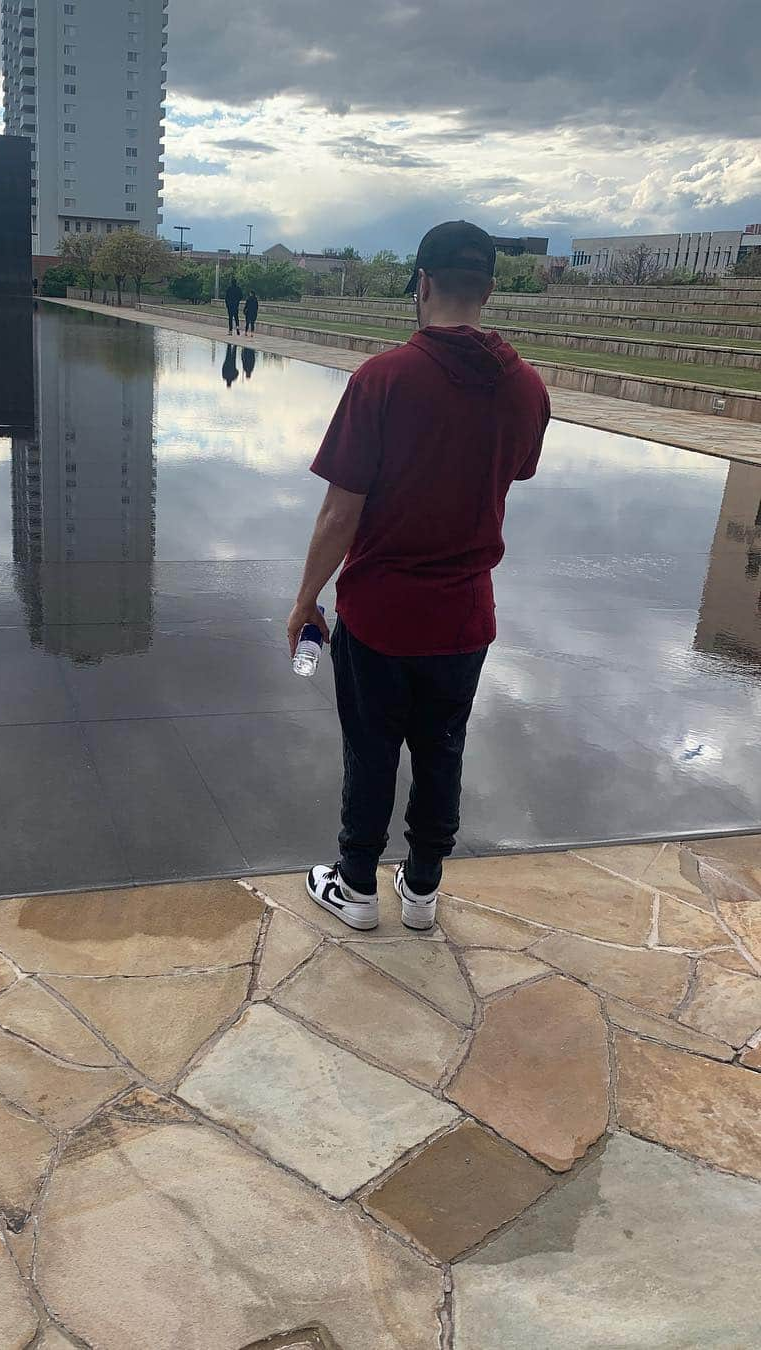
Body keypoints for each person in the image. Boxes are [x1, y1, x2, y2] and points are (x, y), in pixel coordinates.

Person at [289, 220, 549, 933]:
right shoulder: (527, 388)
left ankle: (355, 887)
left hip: (380, 613)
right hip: (466, 615)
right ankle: (424, 889)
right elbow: (511, 472)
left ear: (422, 284)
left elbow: (340, 512)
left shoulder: (383, 379)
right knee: (442, 746)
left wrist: (306, 599)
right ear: (490, 290)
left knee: (372, 749)